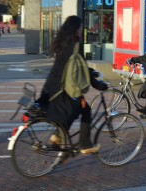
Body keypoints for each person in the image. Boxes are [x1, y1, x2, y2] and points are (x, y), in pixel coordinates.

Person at [39, 15, 101, 155]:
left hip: (53, 88)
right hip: (65, 91)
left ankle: (57, 136)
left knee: (71, 113)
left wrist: (90, 71)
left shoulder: (62, 43)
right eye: (80, 27)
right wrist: (98, 84)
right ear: (76, 29)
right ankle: (85, 145)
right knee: (85, 110)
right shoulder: (75, 46)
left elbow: (75, 67)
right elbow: (80, 68)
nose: (81, 29)